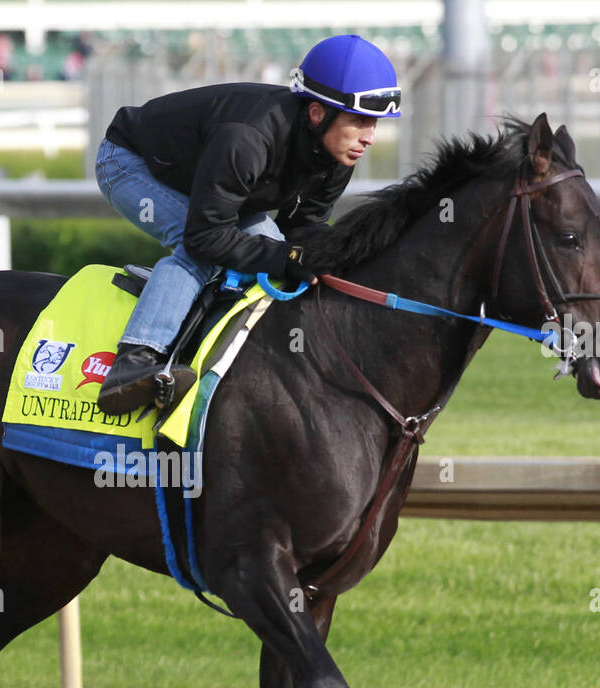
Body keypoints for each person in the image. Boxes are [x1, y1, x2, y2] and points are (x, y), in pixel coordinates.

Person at [93, 34, 400, 414]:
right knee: (198, 252)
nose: (370, 138)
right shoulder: (248, 137)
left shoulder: (338, 154)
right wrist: (287, 255)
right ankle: (132, 364)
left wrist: (325, 259)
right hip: (129, 163)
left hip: (203, 182)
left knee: (273, 249)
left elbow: (301, 232)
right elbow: (206, 236)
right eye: (359, 122)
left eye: (375, 124)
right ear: (318, 113)